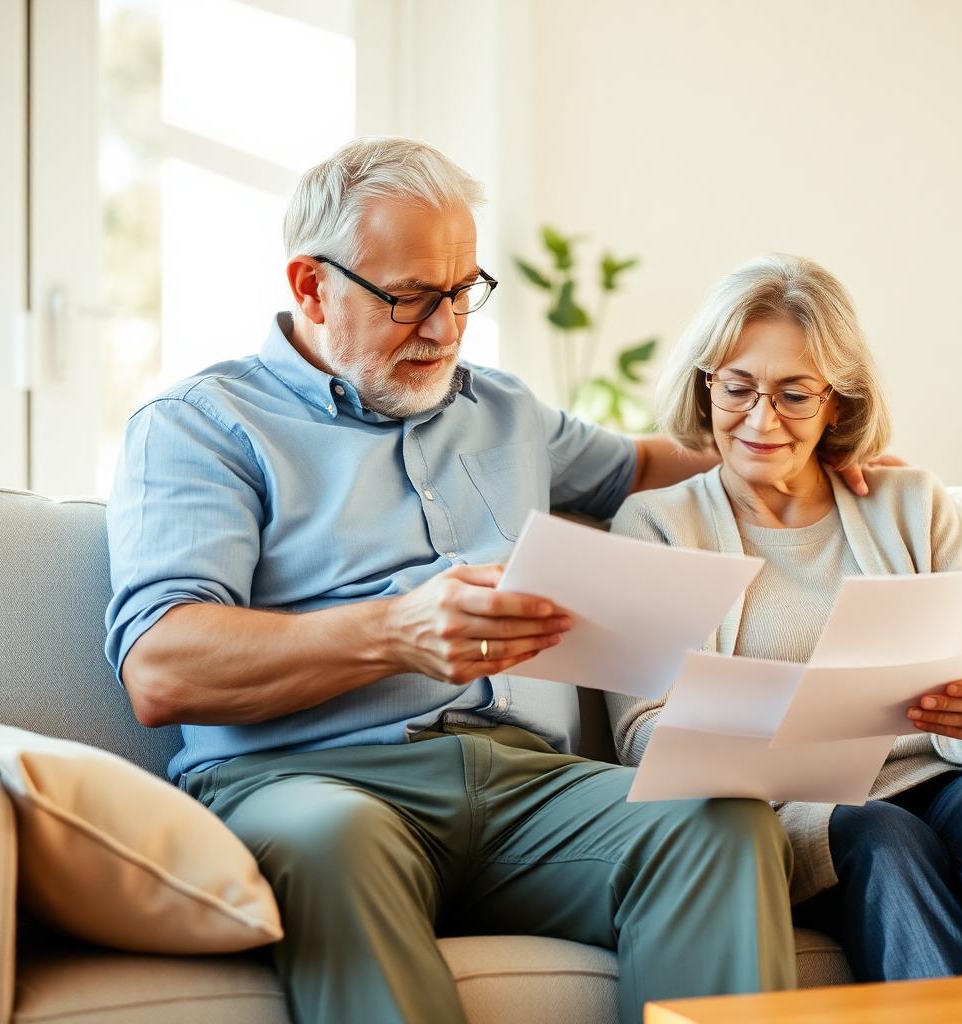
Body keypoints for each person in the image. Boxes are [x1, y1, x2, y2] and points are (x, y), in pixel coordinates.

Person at [104, 138, 822, 1024]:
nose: (444, 329)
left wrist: (809, 457)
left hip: (526, 785)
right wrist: (393, 631)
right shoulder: (204, 426)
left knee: (721, 820)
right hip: (308, 785)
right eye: (409, 298)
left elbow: (645, 464)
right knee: (337, 840)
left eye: (462, 293)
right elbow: (162, 667)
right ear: (309, 286)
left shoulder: (505, 410)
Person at [606, 254, 962, 983]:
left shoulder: (910, 503)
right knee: (881, 835)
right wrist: (792, 714)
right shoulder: (655, 526)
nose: (761, 420)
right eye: (738, 388)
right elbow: (642, 736)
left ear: (837, 404)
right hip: (810, 809)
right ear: (705, 384)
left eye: (794, 395)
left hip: (949, 776)